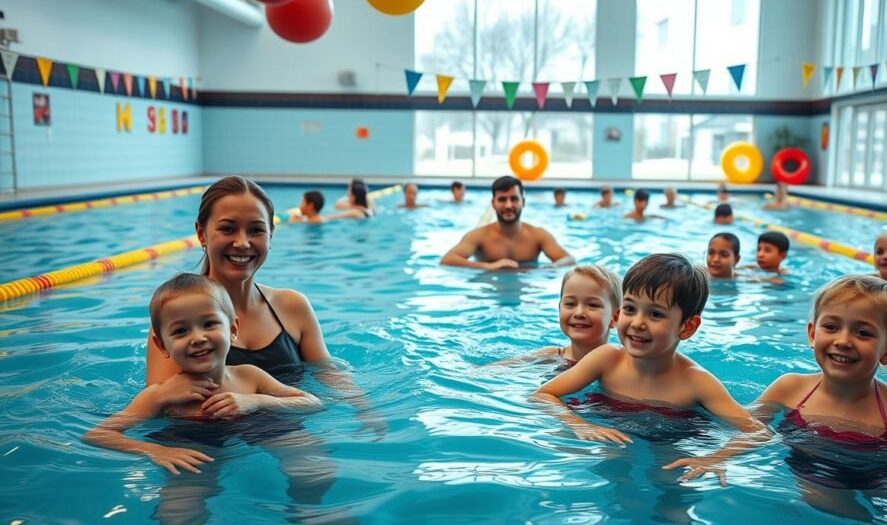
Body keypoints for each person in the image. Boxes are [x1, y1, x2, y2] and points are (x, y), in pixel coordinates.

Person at [674, 275, 887, 486]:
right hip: (813, 466)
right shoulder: (789, 388)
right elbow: (747, 427)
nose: (843, 340)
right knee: (824, 500)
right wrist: (716, 457)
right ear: (812, 333)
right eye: (831, 327)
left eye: (862, 332)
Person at [145, 177, 383, 434]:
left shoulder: (292, 306)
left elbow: (328, 373)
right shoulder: (177, 322)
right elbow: (160, 409)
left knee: (317, 474)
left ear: (271, 234)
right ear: (202, 233)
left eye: (256, 230)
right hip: (205, 437)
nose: (242, 243)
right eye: (227, 229)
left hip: (281, 422)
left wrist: (365, 410)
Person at [85, 274, 323, 474]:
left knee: (314, 468)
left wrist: (256, 401)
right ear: (162, 346)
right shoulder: (160, 396)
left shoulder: (249, 377)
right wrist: (156, 450)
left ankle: (312, 512)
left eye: (209, 324)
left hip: (257, 425)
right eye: (180, 331)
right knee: (180, 511)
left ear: (233, 329)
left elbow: (311, 402)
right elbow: (99, 434)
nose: (198, 338)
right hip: (190, 441)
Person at [533, 254, 764, 447]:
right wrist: (579, 424)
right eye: (630, 309)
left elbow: (758, 432)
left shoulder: (696, 382)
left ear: (687, 327)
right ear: (618, 314)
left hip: (672, 438)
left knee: (669, 481)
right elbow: (543, 395)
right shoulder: (606, 359)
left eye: (655, 314)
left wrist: (716, 458)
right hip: (609, 428)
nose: (637, 323)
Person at [441, 176, 575, 270]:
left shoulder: (537, 235)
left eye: (514, 199)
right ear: (493, 203)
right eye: (502, 199)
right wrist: (488, 266)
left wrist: (551, 267)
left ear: (523, 201)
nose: (508, 205)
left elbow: (568, 259)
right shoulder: (478, 236)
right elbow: (448, 260)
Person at [498, 265, 621, 367]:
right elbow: (493, 371)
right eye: (570, 304)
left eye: (593, 305)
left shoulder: (621, 364)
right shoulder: (550, 355)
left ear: (614, 318)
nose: (578, 313)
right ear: (559, 309)